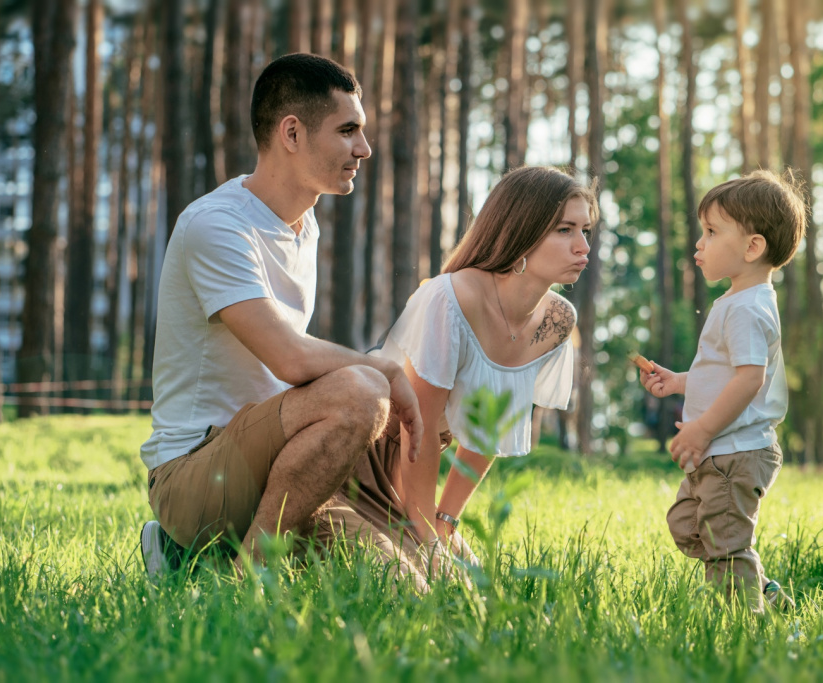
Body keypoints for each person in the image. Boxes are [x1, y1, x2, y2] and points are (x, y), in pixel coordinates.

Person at [138, 53, 423, 578]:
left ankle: (205, 562)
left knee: (412, 581)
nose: (364, 148)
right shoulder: (216, 226)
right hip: (197, 475)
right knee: (361, 390)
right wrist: (383, 369)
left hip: (282, 464)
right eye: (348, 130)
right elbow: (290, 357)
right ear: (291, 133)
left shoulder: (303, 225)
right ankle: (246, 575)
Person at [308, 166, 597, 587]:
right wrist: (424, 534)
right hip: (354, 462)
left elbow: (490, 430)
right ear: (522, 231)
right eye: (565, 230)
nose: (583, 246)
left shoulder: (557, 319)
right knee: (411, 585)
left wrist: (445, 520)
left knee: (472, 589)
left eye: (585, 230)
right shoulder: (451, 297)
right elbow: (415, 430)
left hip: (408, 471)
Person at [637, 169, 805, 612]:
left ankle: (739, 628)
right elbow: (726, 374)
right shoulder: (735, 301)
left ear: (753, 248)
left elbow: (750, 380)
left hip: (734, 451)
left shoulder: (748, 309)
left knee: (725, 546)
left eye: (711, 232)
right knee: (688, 527)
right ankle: (763, 589)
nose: (699, 244)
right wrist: (677, 382)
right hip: (720, 449)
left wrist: (703, 428)